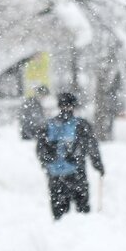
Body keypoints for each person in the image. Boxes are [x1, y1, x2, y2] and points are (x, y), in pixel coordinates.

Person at [36, 92, 104, 220]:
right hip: (77, 175)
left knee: (59, 216)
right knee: (83, 213)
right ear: (74, 106)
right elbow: (92, 147)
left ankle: (60, 236)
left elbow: (40, 150)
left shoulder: (48, 125)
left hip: (55, 177)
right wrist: (98, 165)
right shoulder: (81, 125)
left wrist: (47, 165)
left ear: (59, 106)